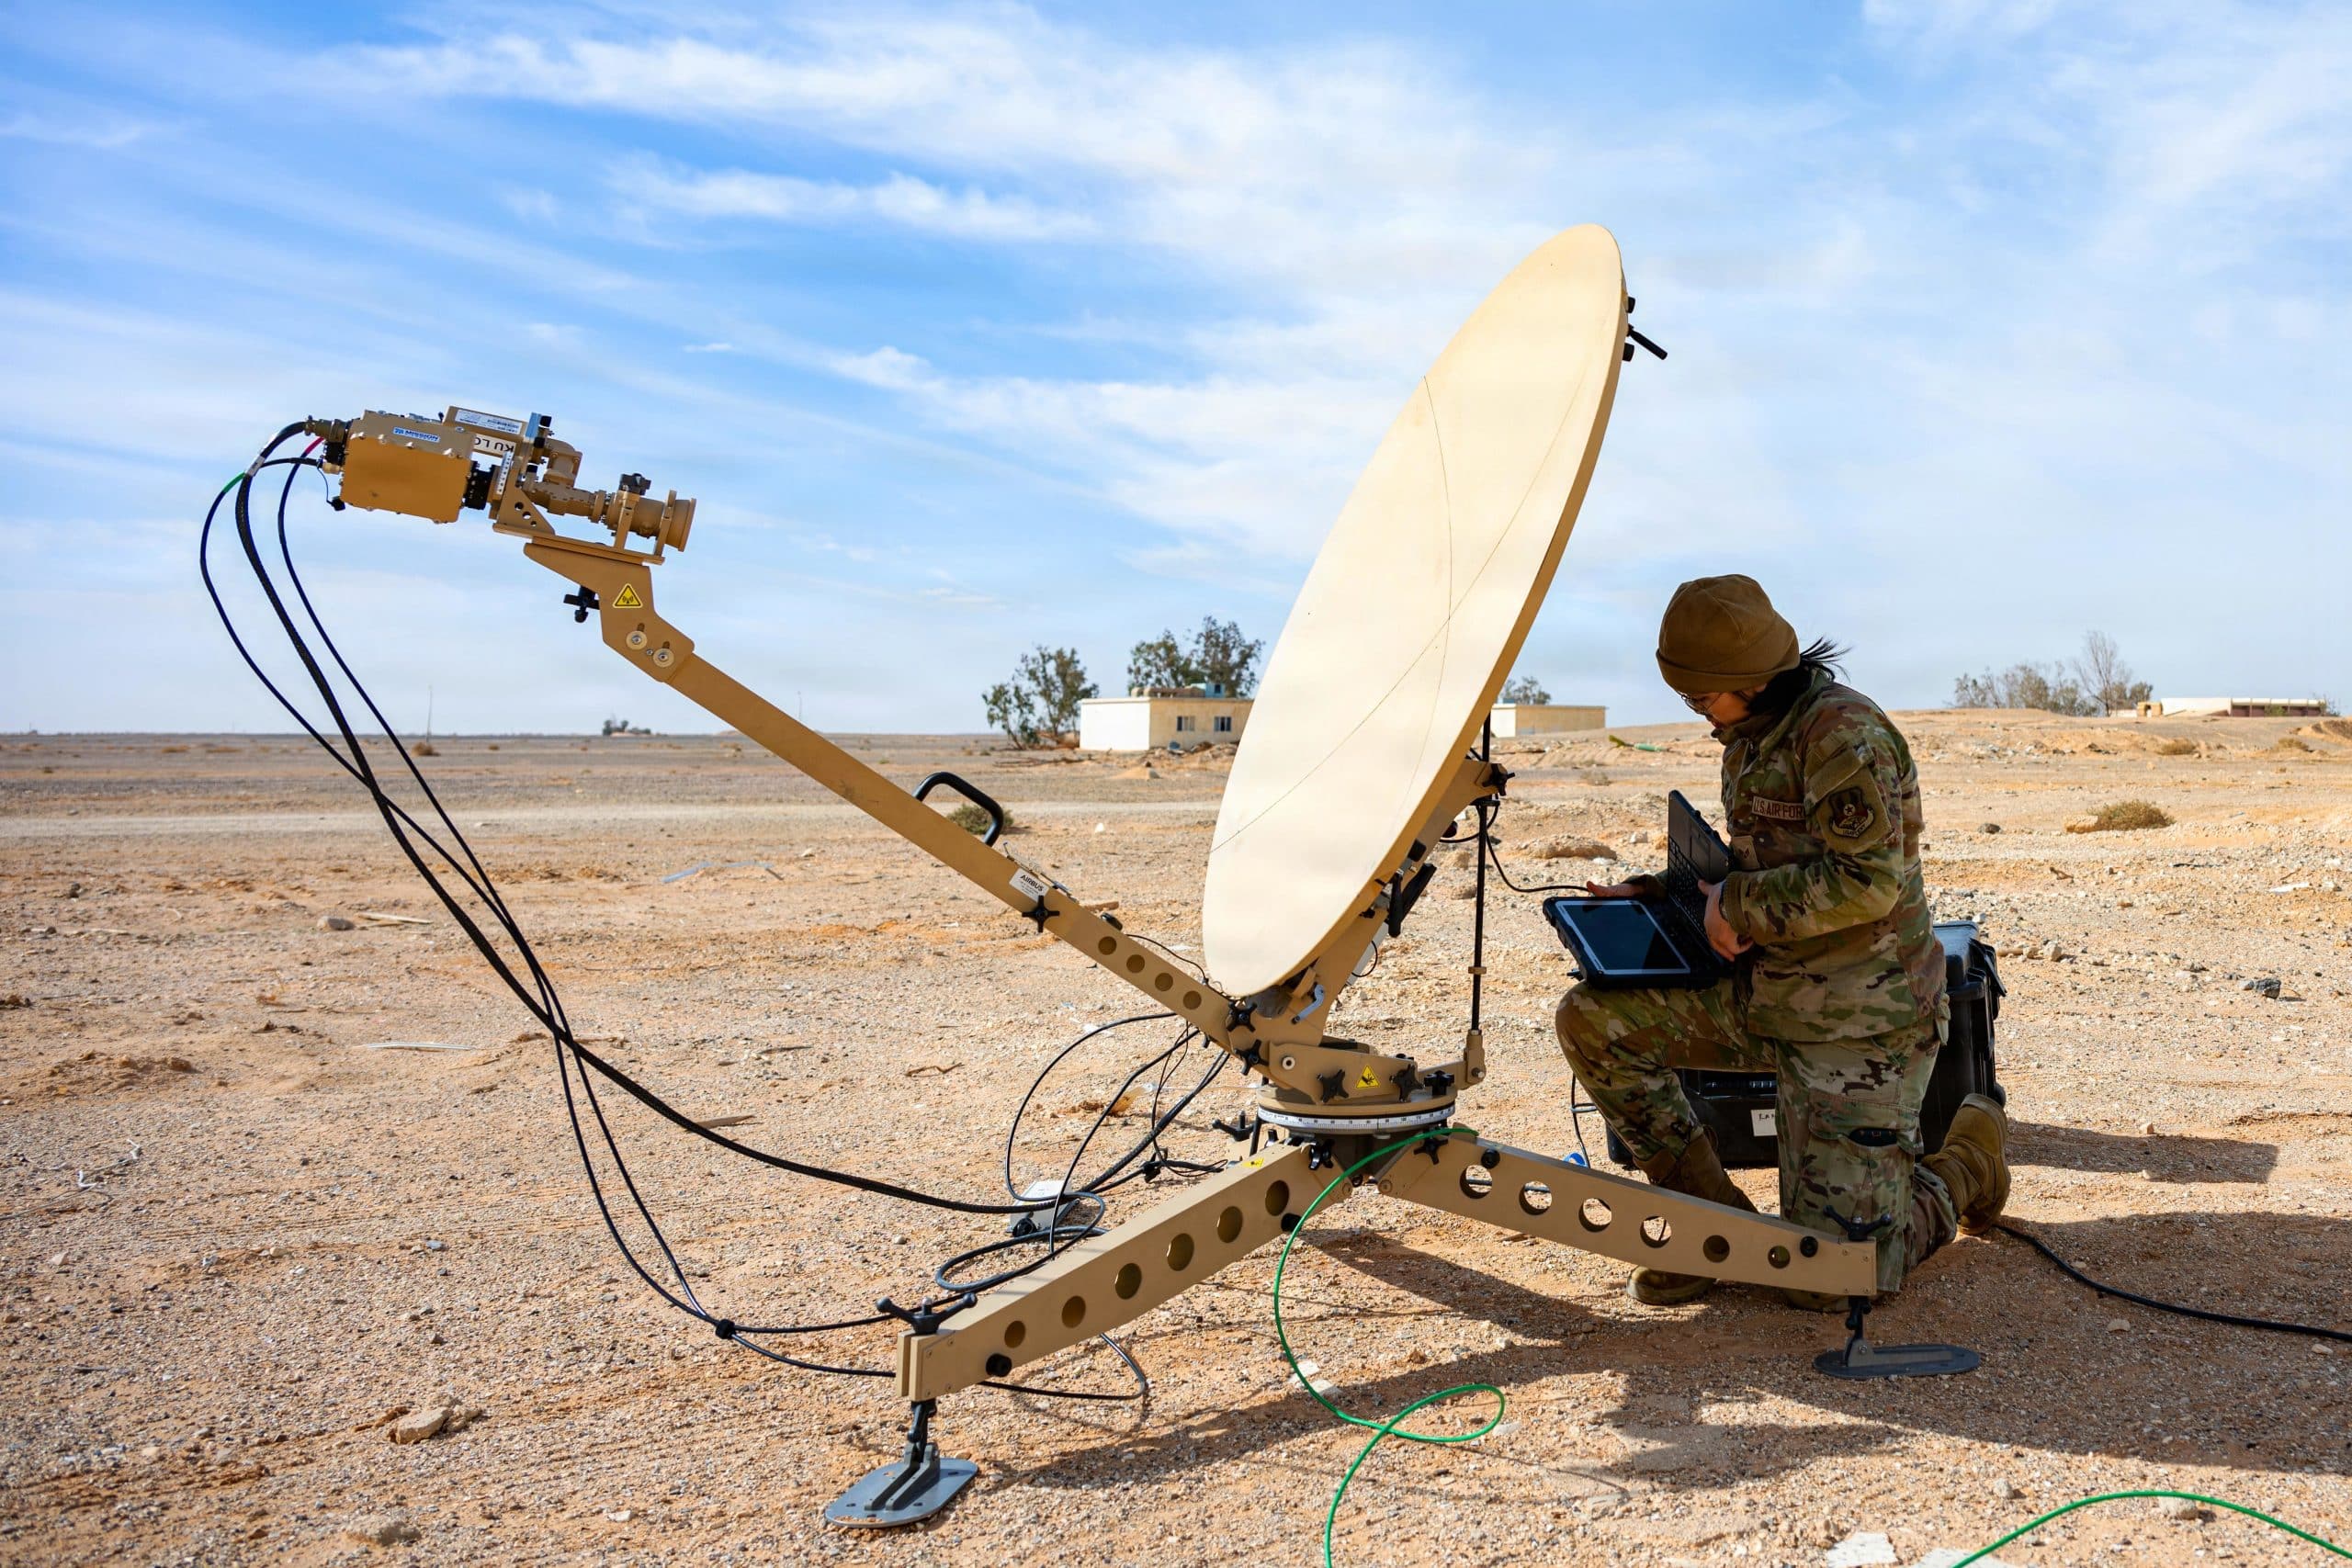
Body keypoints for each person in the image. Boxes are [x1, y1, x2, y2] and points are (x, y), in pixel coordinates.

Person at [1554, 574, 2009, 1306]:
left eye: (1703, 699)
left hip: (1861, 1024)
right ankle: (1710, 1231)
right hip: (1768, 994)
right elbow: (1773, 863)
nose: (1701, 716)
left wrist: (1735, 902)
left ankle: (1963, 1166)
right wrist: (1675, 894)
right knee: (1594, 1019)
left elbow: (1865, 882)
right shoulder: (1752, 736)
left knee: (1833, 1285)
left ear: (1750, 679)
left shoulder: (1842, 737)